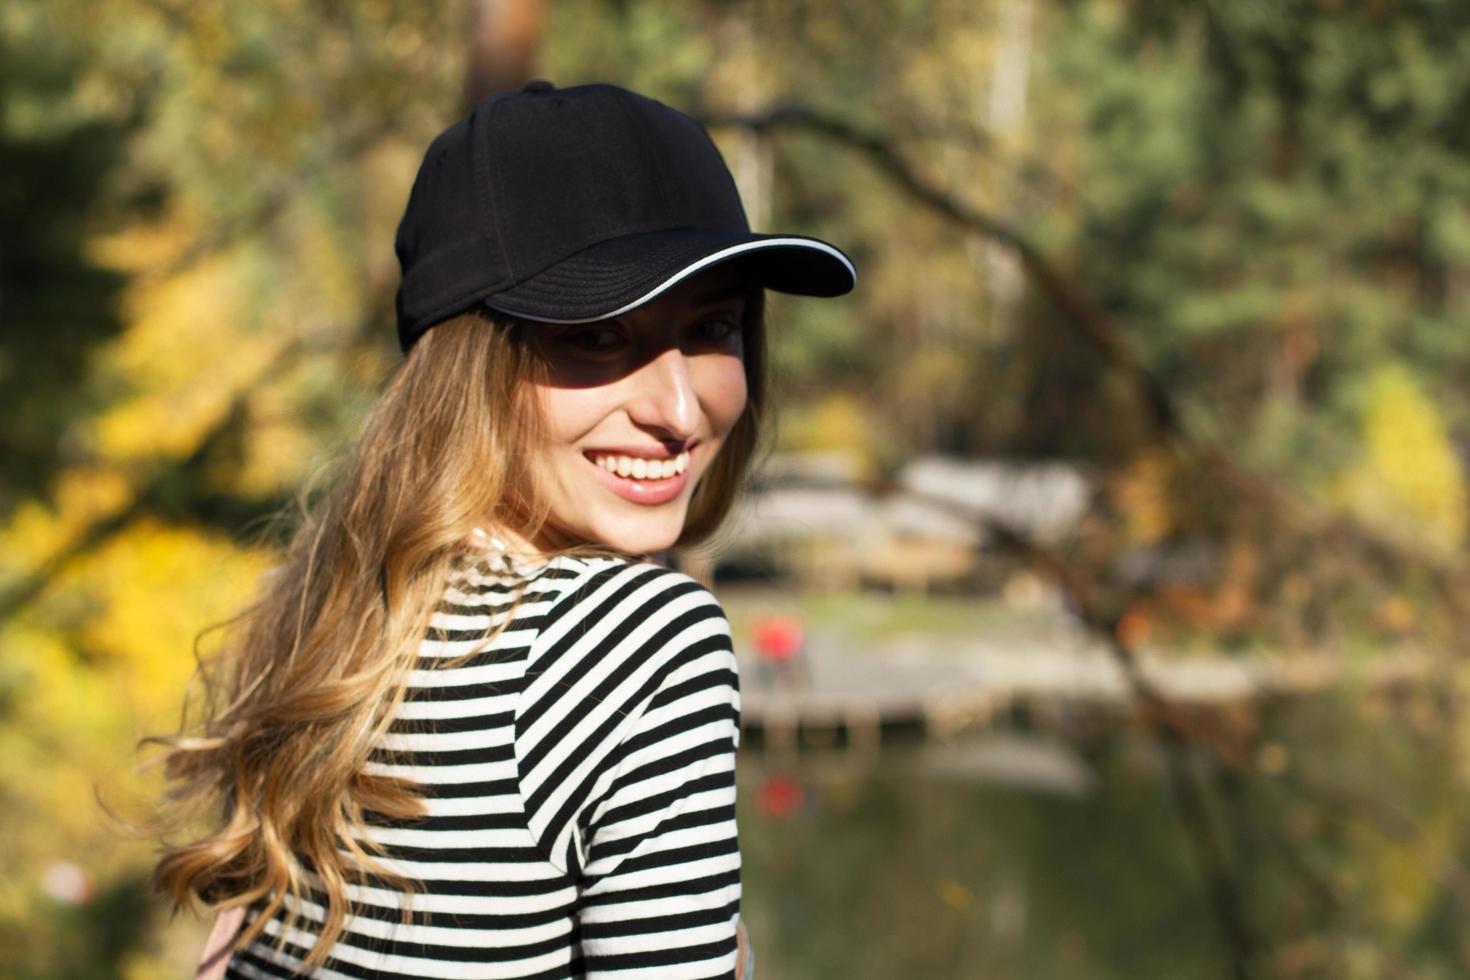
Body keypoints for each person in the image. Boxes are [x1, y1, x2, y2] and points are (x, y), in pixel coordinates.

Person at [152, 80, 855, 979]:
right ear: (464, 368)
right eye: (597, 337)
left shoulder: (332, 622)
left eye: (712, 326)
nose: (680, 410)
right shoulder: (643, 642)